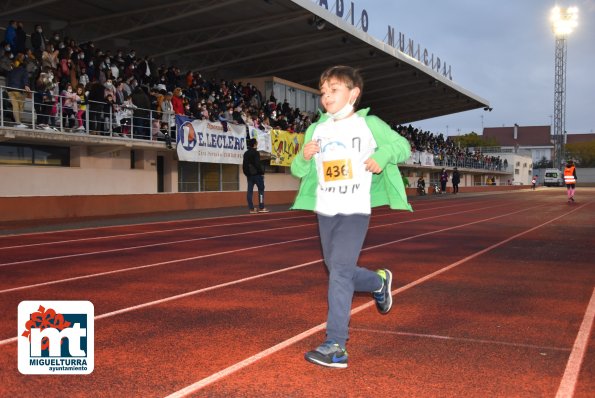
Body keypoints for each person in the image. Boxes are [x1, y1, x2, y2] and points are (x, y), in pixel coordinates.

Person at [290, 65, 411, 368]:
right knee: (336, 269)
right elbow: (297, 170)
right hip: (326, 210)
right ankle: (378, 282)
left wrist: (382, 156)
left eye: (334, 90)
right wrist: (303, 158)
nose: (326, 96)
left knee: (340, 271)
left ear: (353, 93)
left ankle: (336, 345)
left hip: (355, 208)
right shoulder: (316, 129)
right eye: (323, 92)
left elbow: (402, 146)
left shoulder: (368, 124)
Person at [242, 138, 269, 213]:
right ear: (254, 144)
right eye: (256, 143)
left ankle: (251, 209)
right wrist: (261, 172)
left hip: (249, 176)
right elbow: (257, 164)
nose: (257, 144)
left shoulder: (246, 153)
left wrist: (247, 173)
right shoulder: (256, 153)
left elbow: (244, 165)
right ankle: (261, 207)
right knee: (261, 190)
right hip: (257, 175)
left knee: (249, 191)